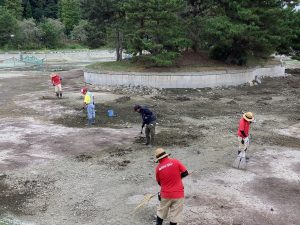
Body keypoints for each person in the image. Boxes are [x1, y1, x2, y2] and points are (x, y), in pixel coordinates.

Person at [155, 148, 188, 225]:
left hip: (165, 194)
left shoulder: (158, 168)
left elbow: (160, 183)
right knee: (175, 216)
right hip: (178, 194)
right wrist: (177, 177)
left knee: (161, 213)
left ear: (159, 159)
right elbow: (185, 173)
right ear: (166, 155)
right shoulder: (176, 162)